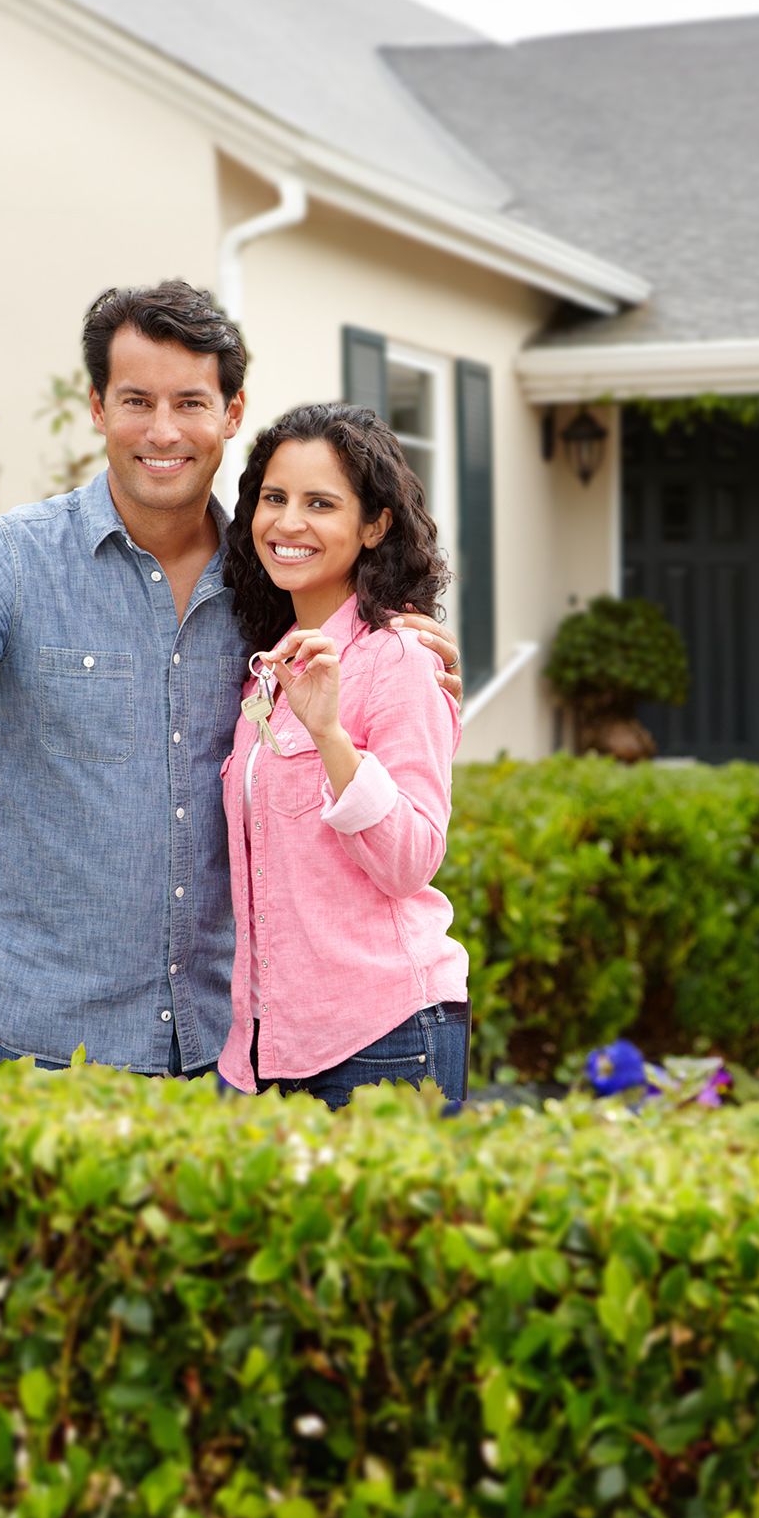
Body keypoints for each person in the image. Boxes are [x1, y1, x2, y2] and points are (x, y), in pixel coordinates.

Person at [0, 282, 460, 1076]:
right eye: (136, 400)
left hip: (234, 1050)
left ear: (232, 415)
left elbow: (372, 702)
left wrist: (404, 653)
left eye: (190, 402)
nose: (163, 431)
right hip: (51, 1044)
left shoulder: (275, 585)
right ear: (97, 406)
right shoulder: (6, 561)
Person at [214, 403, 469, 1109]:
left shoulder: (402, 659)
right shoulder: (264, 670)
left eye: (319, 503)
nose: (287, 523)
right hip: (264, 1046)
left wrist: (330, 737)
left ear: (375, 524)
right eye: (274, 498)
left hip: (384, 1035)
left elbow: (412, 858)